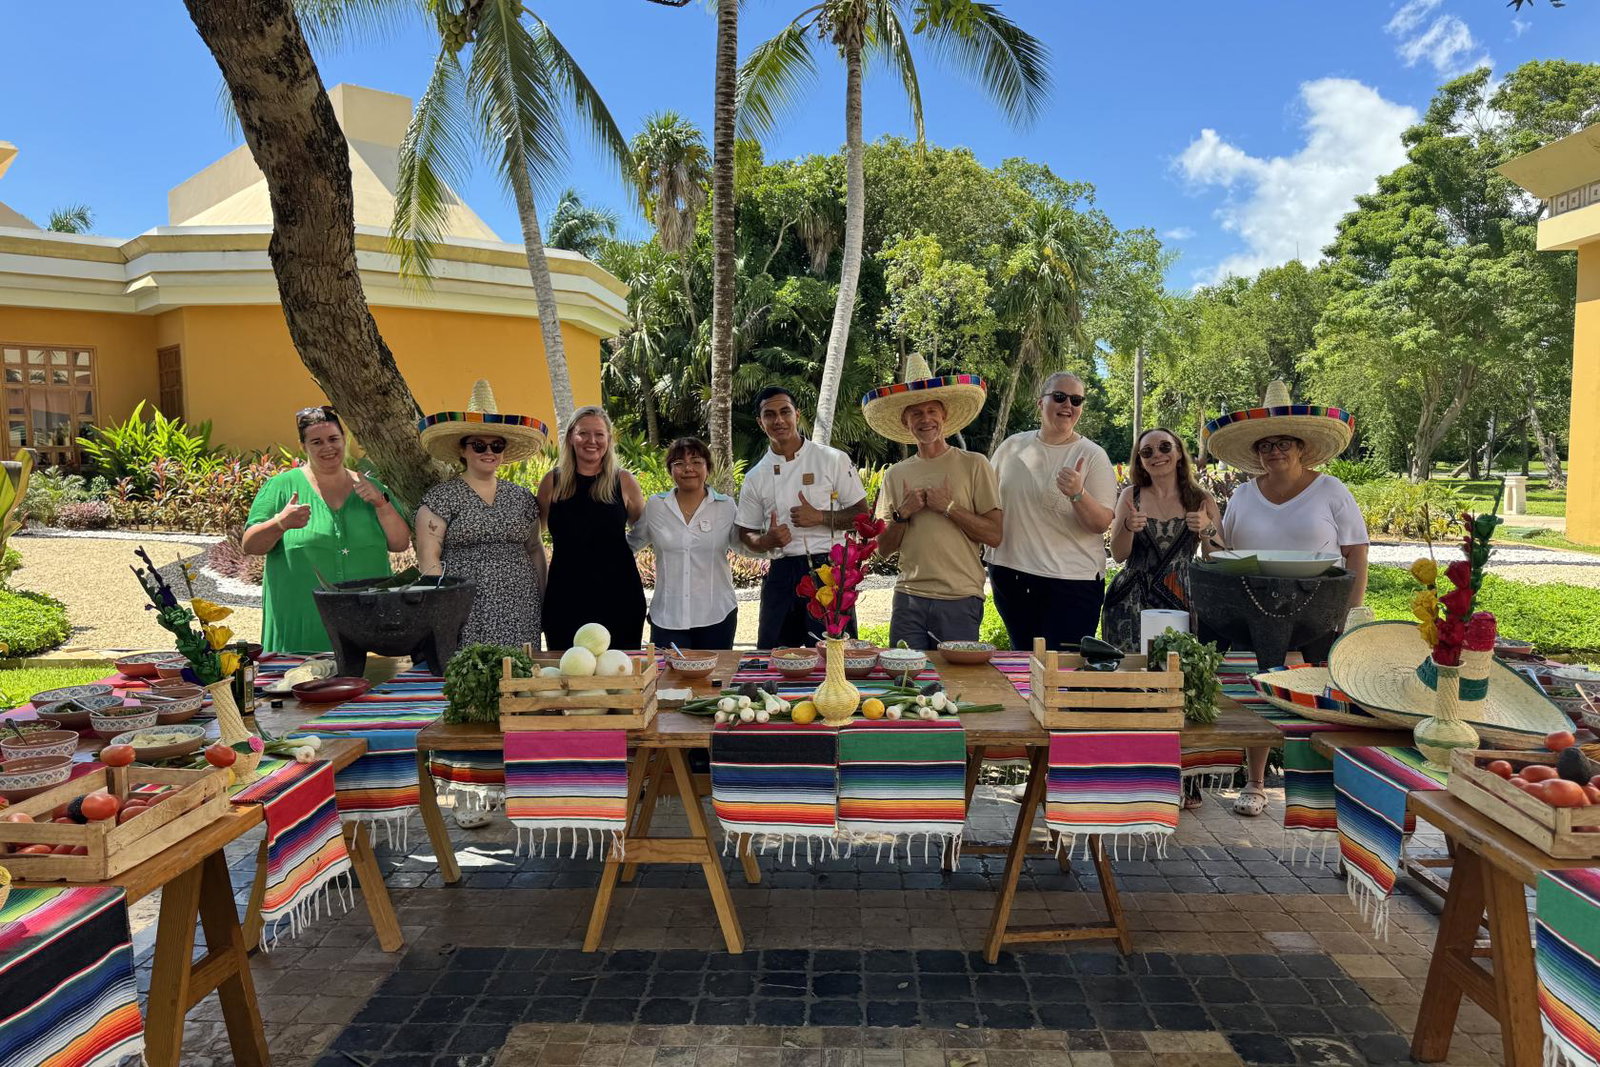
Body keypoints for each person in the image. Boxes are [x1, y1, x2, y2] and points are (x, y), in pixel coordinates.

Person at [1203, 380, 1369, 817]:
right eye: (1266, 445)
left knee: (1323, 700)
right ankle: (1255, 783)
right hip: (1257, 613)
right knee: (1259, 693)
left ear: (1302, 448)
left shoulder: (1331, 491)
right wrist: (1203, 532)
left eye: (1284, 443)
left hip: (1319, 612)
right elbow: (1227, 556)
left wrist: (1351, 613)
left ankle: (1322, 793)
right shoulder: (1241, 494)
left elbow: (1356, 551)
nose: (1274, 451)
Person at [242, 405, 411, 653]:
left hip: (367, 619)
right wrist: (280, 523)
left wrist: (380, 503)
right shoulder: (281, 487)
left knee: (371, 685)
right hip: (301, 624)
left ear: (344, 440)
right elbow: (250, 545)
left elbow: (400, 543)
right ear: (303, 446)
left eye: (333, 439)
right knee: (297, 686)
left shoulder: (372, 487)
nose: (328, 447)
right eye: (317, 442)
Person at [864, 356, 1002, 649]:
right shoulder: (895, 474)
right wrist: (903, 514)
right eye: (915, 413)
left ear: (945, 417)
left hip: (960, 598)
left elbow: (994, 535)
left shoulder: (974, 465)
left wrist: (949, 508)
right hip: (908, 598)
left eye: (931, 411)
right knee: (904, 684)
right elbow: (882, 549)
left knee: (957, 688)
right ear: (905, 422)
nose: (925, 419)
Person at [986, 372, 1117, 652]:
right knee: (1022, 663)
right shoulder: (1012, 446)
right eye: (1059, 397)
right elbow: (986, 502)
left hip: (1072, 583)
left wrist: (1078, 494)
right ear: (1040, 403)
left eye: (1076, 399)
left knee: (1062, 672)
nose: (1067, 404)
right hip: (1012, 576)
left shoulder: (1092, 455)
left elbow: (1101, 522)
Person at [415, 380, 549, 648]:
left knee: (518, 677)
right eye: (479, 445)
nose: (489, 452)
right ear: (463, 450)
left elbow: (534, 548)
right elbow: (429, 557)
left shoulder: (522, 497)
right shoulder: (441, 498)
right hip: (465, 607)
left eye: (497, 446)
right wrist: (445, 607)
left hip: (520, 605)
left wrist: (544, 596)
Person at [735, 386, 869, 649]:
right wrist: (766, 540)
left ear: (797, 414)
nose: (779, 420)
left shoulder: (831, 459)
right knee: (776, 655)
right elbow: (744, 533)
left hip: (828, 569)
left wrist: (820, 516)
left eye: (785, 411)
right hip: (781, 572)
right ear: (760, 423)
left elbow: (861, 515)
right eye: (769, 414)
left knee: (835, 654)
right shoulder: (755, 477)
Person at [1101, 428, 1224, 654]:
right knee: (1129, 678)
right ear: (1140, 461)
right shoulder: (1130, 496)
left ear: (1178, 454)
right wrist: (1128, 527)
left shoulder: (1201, 499)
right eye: (1147, 452)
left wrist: (1207, 528)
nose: (1157, 454)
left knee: (1179, 677)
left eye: (1165, 447)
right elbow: (1118, 555)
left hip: (1182, 599)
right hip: (1130, 602)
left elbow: (1216, 560)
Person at [537, 406, 646, 651]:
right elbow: (536, 536)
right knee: (567, 672)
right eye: (583, 433)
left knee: (620, 674)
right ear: (570, 438)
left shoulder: (624, 481)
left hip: (619, 594)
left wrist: (621, 551)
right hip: (565, 594)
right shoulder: (552, 482)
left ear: (609, 439)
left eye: (599, 434)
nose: (591, 441)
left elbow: (644, 529)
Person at [628, 437, 741, 649]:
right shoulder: (656, 506)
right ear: (670, 470)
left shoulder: (726, 506)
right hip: (668, 617)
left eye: (697, 462)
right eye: (679, 463)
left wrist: (770, 540)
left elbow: (743, 545)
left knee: (715, 680)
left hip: (717, 614)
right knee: (668, 680)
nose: (688, 468)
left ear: (708, 467)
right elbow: (632, 543)